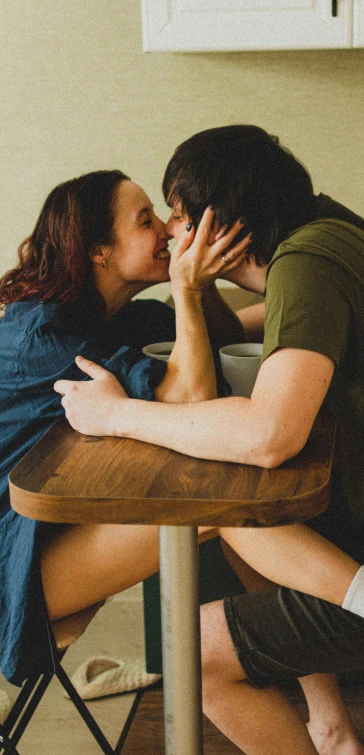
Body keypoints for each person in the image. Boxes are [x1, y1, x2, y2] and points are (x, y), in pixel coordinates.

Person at [54, 127, 364, 755]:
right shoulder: (330, 232)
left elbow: (270, 435)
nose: (169, 232)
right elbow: (249, 347)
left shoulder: (308, 265)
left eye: (179, 216)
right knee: (249, 519)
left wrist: (116, 414)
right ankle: (329, 723)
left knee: (192, 652)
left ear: (223, 222)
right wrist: (200, 289)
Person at [0, 169, 251, 686]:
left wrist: (202, 288)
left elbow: (221, 340)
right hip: (12, 559)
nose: (165, 229)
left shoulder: (114, 317)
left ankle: (335, 701)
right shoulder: (44, 335)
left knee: (233, 493)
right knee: (229, 502)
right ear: (99, 251)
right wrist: (185, 290)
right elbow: (193, 398)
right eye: (145, 221)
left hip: (54, 524)